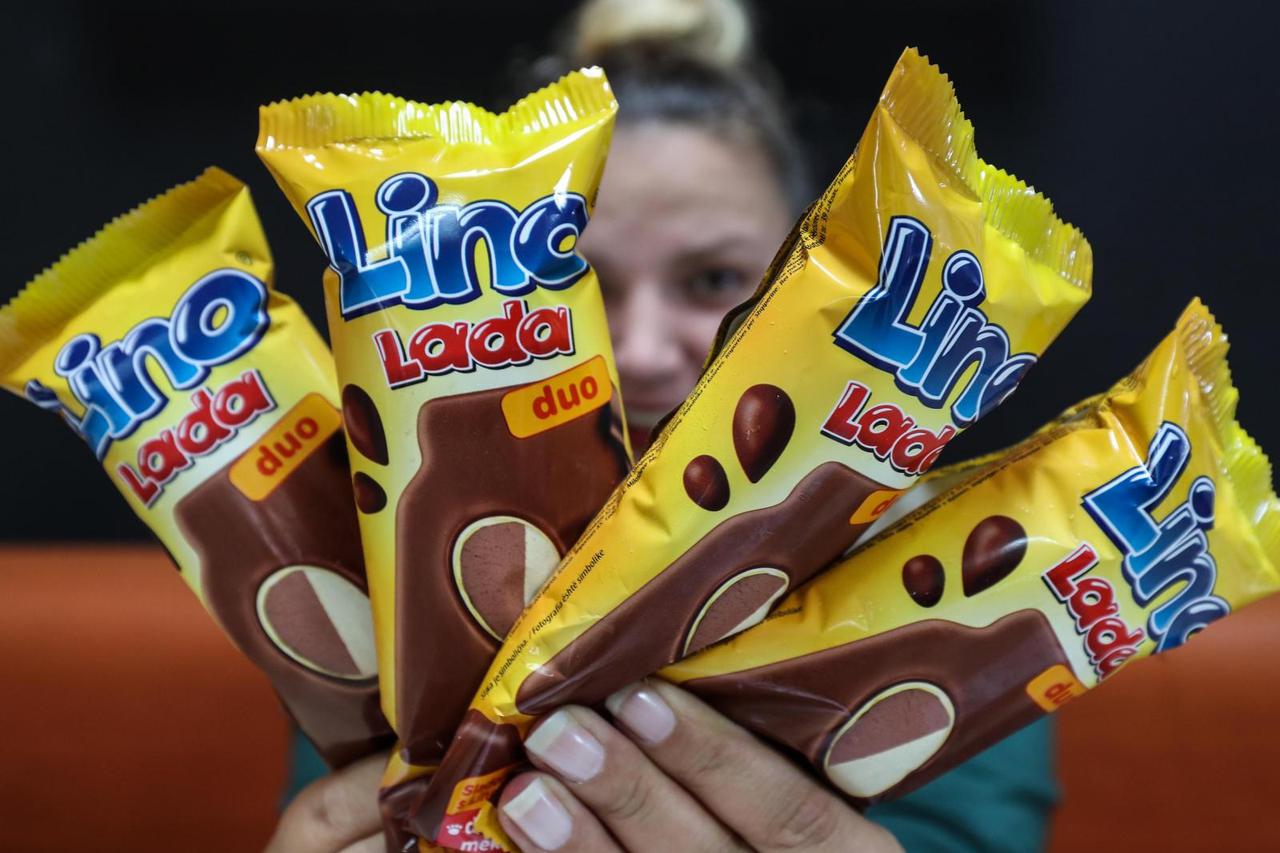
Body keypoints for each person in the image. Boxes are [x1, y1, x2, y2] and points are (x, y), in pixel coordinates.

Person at [269, 1, 1056, 849]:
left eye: (714, 278)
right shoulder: (404, 580)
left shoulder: (952, 581)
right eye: (575, 278)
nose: (641, 352)